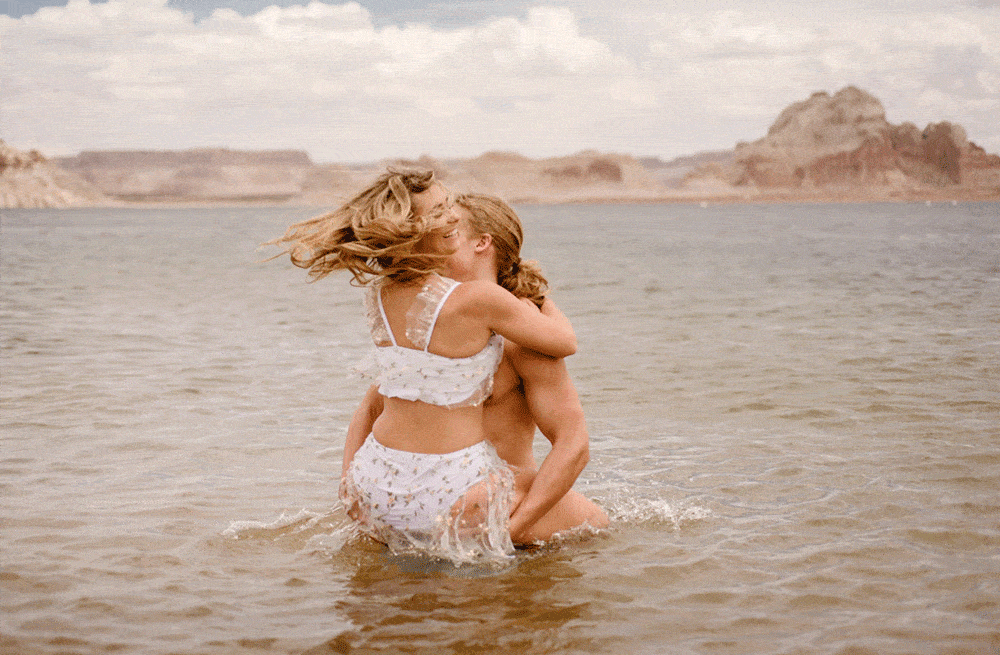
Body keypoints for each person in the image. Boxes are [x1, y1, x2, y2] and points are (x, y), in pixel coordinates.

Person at [267, 169, 577, 561]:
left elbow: (370, 407)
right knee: (595, 527)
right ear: (414, 227)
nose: (451, 216)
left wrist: (348, 483)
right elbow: (566, 342)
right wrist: (537, 297)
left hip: (373, 481)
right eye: (441, 210)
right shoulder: (482, 303)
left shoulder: (384, 294)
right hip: (449, 490)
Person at [344, 194, 608, 545]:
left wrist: (513, 530)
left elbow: (573, 443)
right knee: (602, 527)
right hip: (449, 501)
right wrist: (349, 489)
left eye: (450, 230)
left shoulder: (523, 336)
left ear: (482, 242)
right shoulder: (434, 326)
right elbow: (371, 407)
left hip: (495, 504)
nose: (435, 234)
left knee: (598, 526)